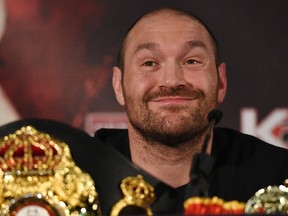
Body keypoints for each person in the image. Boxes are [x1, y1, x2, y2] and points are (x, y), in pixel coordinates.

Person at [88, 7, 288, 215]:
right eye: (149, 63)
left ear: (221, 82)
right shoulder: (79, 177)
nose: (172, 80)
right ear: (118, 85)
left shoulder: (278, 179)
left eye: (191, 61)